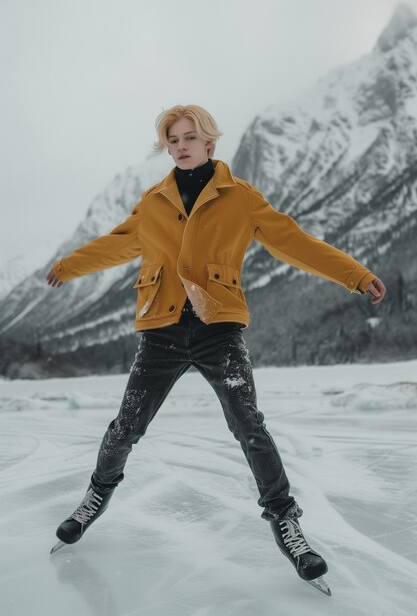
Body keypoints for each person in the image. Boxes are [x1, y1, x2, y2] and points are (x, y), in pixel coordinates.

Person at [46, 104, 386, 584]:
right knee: (126, 425)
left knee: (249, 425)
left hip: (217, 329)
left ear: (209, 141)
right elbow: (116, 243)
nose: (181, 146)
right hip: (160, 331)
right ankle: (96, 496)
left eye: (190, 137)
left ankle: (285, 521)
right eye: (173, 140)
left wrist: (355, 274)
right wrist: (68, 265)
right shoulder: (154, 201)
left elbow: (295, 242)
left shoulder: (241, 198)